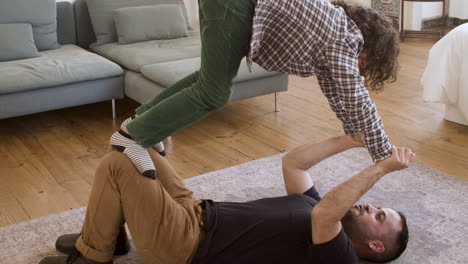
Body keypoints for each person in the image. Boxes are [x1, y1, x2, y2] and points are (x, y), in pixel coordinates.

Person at [110, 0, 400, 177]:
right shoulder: (345, 39)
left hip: (239, 10)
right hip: (235, 6)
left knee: (208, 81)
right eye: (369, 61)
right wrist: (383, 153)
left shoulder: (335, 32)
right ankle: (132, 137)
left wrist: (354, 131)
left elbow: (338, 93)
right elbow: (356, 96)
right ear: (369, 44)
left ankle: (141, 124)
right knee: (214, 92)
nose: (362, 68)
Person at [39, 134, 415, 264]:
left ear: (376, 245)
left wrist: (380, 168)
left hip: (186, 245)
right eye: (378, 206)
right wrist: (349, 140)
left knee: (118, 164)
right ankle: (109, 237)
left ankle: (93, 254)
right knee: (131, 139)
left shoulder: (339, 255)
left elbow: (328, 212)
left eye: (379, 216)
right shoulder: (314, 207)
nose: (370, 206)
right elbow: (294, 164)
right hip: (195, 211)